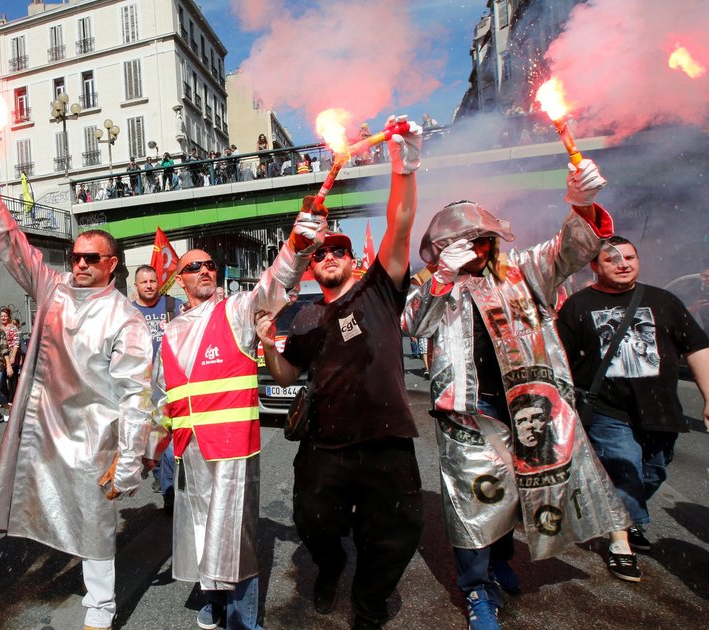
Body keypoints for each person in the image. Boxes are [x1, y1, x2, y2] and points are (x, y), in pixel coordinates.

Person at [401, 159, 630, 630]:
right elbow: (412, 324)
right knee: (471, 504)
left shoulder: (522, 272)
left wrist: (581, 204)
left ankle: (502, 559)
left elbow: (568, 251)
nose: (478, 249)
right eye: (464, 243)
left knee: (517, 493)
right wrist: (442, 277)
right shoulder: (437, 287)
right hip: (467, 414)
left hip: (529, 407)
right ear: (442, 249)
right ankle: (477, 589)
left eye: (483, 239)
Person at [259, 115, 423, 629]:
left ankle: (370, 603)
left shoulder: (379, 290)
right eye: (320, 252)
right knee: (314, 524)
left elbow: (400, 225)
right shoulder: (306, 317)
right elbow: (286, 378)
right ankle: (330, 567)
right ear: (310, 267)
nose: (328, 255)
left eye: (339, 250)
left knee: (395, 532)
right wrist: (267, 345)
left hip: (385, 442)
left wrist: (405, 164)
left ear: (354, 259)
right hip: (324, 447)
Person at [0, 171, 152, 630]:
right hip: (49, 433)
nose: (80, 264)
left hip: (95, 440)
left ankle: (101, 607)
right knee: (48, 513)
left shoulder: (126, 319)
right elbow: (16, 250)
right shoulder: (54, 292)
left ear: (112, 264)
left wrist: (129, 462)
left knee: (95, 525)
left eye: (91, 258)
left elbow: (136, 397)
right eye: (75, 257)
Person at [152, 205, 324, 628]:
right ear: (180, 280)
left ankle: (243, 622)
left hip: (232, 449)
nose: (207, 271)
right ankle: (214, 599)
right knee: (203, 531)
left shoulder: (234, 310)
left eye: (211, 265)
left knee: (238, 538)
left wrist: (297, 245)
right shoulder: (171, 332)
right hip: (190, 453)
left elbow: (274, 284)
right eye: (196, 267)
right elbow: (160, 399)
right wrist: (145, 450)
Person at [558, 236, 709, 582]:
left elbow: (697, 348)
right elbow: (560, 359)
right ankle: (620, 544)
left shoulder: (663, 300)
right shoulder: (578, 306)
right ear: (595, 267)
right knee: (623, 469)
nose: (623, 264)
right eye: (613, 260)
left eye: (629, 257)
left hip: (660, 409)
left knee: (653, 472)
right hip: (608, 409)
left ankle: (626, 518)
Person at [130, 265, 183, 511]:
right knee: (150, 443)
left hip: (172, 385)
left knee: (169, 442)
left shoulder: (174, 306)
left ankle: (169, 490)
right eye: (144, 282)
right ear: (136, 286)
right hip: (141, 389)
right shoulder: (127, 312)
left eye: (153, 281)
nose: (150, 285)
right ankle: (163, 479)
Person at [0, 306, 22, 406]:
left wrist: (13, 356)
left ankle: (12, 399)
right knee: (2, 380)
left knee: (12, 379)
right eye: (2, 316)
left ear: (9, 317)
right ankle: (6, 397)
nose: (3, 318)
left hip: (12, 356)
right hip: (2, 358)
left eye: (5, 316)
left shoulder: (13, 328)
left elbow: (16, 343)